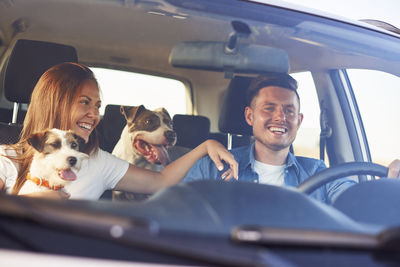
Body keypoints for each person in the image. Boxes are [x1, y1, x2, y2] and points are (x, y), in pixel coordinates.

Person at [0, 62, 238, 200]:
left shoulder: (100, 163)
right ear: (55, 102)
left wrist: (205, 147)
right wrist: (34, 202)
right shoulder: (6, 159)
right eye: (84, 102)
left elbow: (161, 181)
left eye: (97, 106)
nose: (94, 115)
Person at [183, 73, 400, 204]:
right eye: (269, 108)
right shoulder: (211, 169)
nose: (280, 117)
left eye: (289, 110)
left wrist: (390, 184)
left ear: (299, 120)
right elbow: (176, 216)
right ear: (250, 116)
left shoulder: (319, 173)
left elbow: (357, 203)